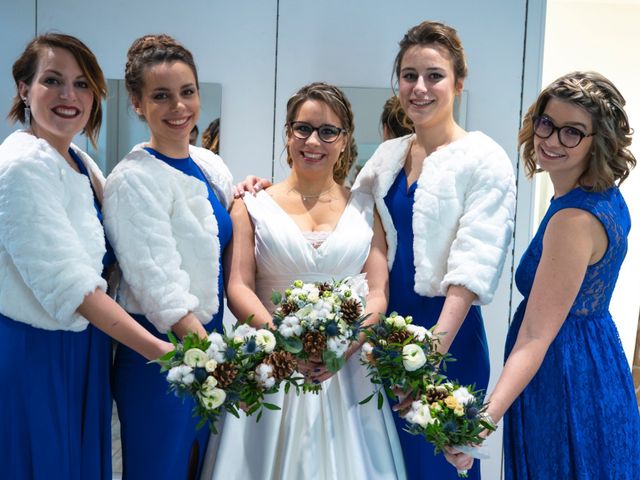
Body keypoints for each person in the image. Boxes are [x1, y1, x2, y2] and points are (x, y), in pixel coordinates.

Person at [203, 82, 405, 479]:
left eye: (328, 131)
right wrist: (282, 342)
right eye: (303, 129)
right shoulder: (251, 204)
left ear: (345, 140)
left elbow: (378, 291)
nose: (314, 141)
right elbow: (239, 286)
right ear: (287, 134)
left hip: (349, 372)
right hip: (271, 365)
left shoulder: (368, 208)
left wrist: (348, 344)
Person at [445, 71, 640, 479]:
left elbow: (535, 336)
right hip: (596, 359)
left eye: (573, 133)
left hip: (564, 377)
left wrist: (481, 423)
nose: (551, 140)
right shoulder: (605, 197)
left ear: (597, 141)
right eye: (547, 123)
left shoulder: (572, 220)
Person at [0, 33, 171, 480]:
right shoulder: (21, 166)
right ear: (23, 89)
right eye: (52, 81)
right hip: (38, 349)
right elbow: (71, 285)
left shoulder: (80, 161)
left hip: (84, 345)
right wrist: (159, 351)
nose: (69, 96)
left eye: (82, 84)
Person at [102, 34, 233, 480]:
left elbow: (225, 232)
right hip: (160, 357)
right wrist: (218, 364)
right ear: (137, 104)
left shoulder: (209, 165)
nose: (179, 107)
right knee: (160, 468)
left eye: (187, 92)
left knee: (201, 467)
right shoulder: (132, 181)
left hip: (209, 344)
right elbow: (162, 293)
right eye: (161, 96)